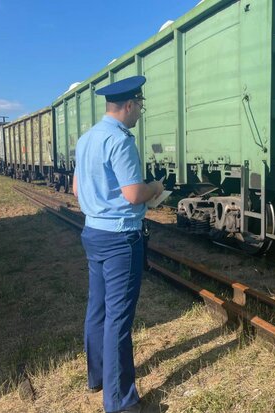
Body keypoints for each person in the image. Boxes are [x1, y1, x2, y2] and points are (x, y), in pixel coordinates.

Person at [72, 75, 163, 413]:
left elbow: (76, 191)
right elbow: (133, 194)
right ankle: (121, 402)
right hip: (121, 239)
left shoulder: (86, 139)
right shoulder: (121, 142)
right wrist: (154, 187)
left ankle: (97, 378)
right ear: (128, 105)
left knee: (97, 310)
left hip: (92, 234)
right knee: (118, 320)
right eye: (139, 105)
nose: (140, 111)